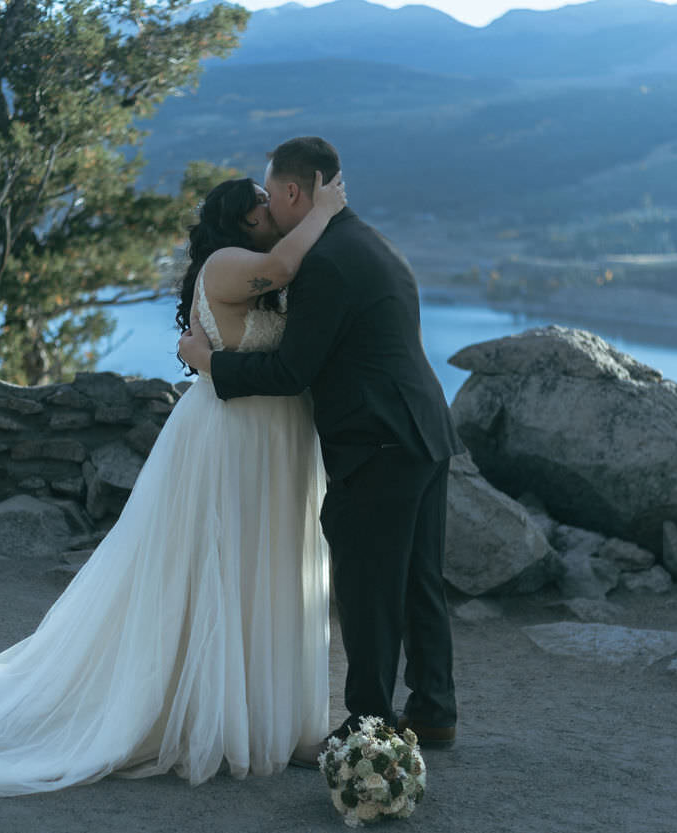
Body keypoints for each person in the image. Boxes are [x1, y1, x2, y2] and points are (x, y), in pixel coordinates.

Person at [0, 172, 346, 796]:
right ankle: (202, 713)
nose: (274, 208)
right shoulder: (229, 263)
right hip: (233, 436)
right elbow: (283, 264)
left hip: (278, 435)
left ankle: (265, 715)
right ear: (244, 219)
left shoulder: (257, 267)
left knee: (262, 570)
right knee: (216, 566)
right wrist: (325, 209)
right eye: (264, 202)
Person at [179, 136, 464, 760]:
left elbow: (290, 372)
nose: (270, 214)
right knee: (419, 581)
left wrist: (212, 366)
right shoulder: (368, 241)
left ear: (290, 191)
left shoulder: (327, 261)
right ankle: (434, 710)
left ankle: (368, 726)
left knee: (368, 585)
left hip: (379, 441)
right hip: (423, 430)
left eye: (270, 195)